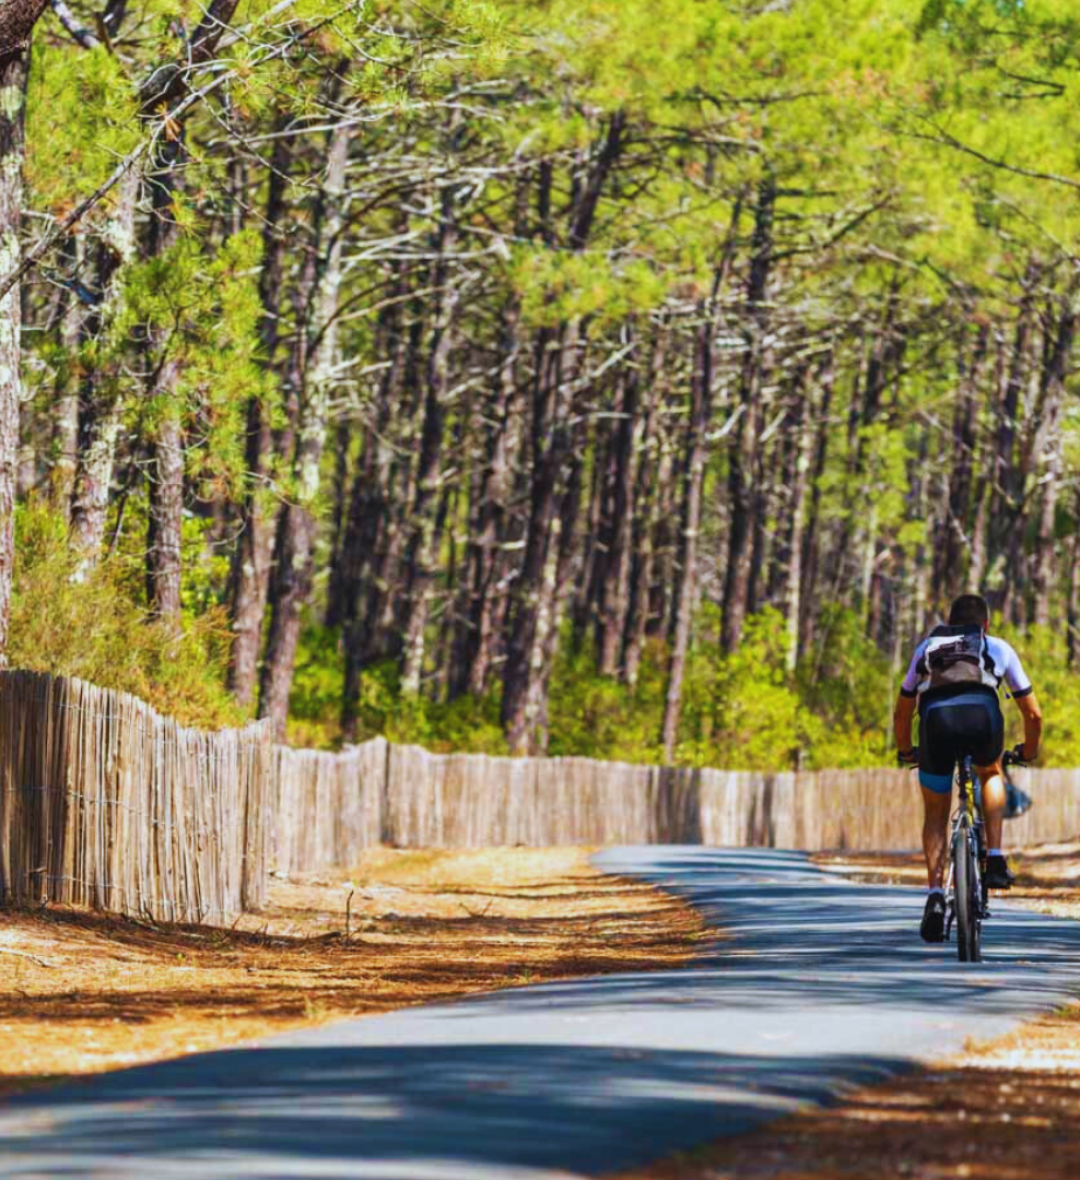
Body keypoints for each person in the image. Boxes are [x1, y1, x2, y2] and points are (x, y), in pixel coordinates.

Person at [893, 594, 1043, 943]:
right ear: (984, 625)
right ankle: (994, 857)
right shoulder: (998, 648)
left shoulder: (926, 648)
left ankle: (934, 894)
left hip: (935, 724)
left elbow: (902, 712)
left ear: (951, 622)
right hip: (982, 719)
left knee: (935, 814)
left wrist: (906, 751)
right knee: (990, 772)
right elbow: (1033, 714)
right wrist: (1029, 751)